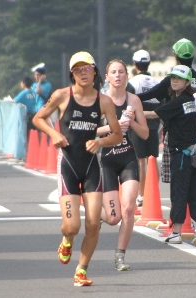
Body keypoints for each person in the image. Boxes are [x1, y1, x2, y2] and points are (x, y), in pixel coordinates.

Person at [32, 51, 123, 286]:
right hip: (68, 166)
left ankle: (81, 270)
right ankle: (67, 239)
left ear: (94, 71)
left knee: (93, 222)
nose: (83, 73)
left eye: (87, 68)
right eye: (77, 70)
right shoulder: (62, 95)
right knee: (72, 226)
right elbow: (38, 118)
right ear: (72, 74)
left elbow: (117, 134)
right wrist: (54, 133)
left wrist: (100, 142)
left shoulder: (104, 101)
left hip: (92, 166)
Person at [135, 38, 196, 227]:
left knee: (178, 181)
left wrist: (127, 100)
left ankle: (178, 225)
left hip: (177, 138)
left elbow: (150, 96)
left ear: (176, 56)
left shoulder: (173, 80)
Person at [143, 65, 196, 244]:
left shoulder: (177, 102)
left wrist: (131, 112)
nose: (174, 80)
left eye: (179, 78)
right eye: (172, 77)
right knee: (195, 190)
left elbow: (152, 114)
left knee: (179, 192)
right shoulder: (193, 100)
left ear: (187, 82)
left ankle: (177, 232)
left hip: (180, 154)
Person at [97, 59, 149, 271]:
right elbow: (89, 132)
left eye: (121, 72)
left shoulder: (133, 100)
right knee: (113, 217)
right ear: (107, 77)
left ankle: (120, 256)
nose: (117, 76)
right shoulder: (100, 100)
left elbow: (145, 134)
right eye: (113, 72)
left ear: (127, 75)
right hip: (106, 159)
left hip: (127, 157)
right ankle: (95, 210)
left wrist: (132, 123)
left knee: (128, 209)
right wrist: (113, 127)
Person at [128, 50, 161, 207]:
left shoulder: (133, 82)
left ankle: (141, 195)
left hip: (137, 125)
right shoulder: (156, 82)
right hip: (154, 124)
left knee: (140, 160)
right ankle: (153, 192)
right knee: (152, 159)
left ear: (135, 64)